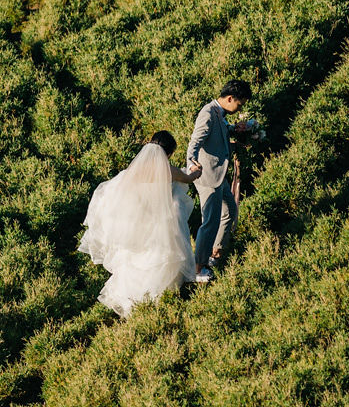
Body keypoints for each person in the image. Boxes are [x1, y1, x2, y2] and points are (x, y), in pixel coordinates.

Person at [78, 131, 202, 317]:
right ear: (168, 153)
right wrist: (197, 170)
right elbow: (190, 178)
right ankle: (157, 300)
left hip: (138, 225)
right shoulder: (168, 170)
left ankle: (133, 302)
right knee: (160, 260)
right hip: (160, 225)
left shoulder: (133, 171)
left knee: (135, 261)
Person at [186, 79, 255, 282]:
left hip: (219, 175)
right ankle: (199, 268)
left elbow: (220, 135)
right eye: (240, 104)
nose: (239, 108)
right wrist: (192, 163)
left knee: (230, 211)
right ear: (230, 98)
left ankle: (214, 254)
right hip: (208, 176)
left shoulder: (220, 113)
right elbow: (195, 142)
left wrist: (237, 130)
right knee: (210, 222)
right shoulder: (208, 114)